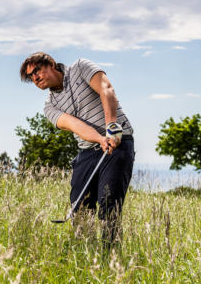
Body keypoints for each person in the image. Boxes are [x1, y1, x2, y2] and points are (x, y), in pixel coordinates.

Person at [20, 52, 134, 245]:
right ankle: (86, 259)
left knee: (109, 206)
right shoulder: (50, 106)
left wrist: (111, 127)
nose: (35, 77)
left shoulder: (80, 67)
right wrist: (100, 138)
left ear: (51, 64)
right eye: (31, 77)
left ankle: (110, 260)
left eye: (37, 70)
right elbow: (75, 126)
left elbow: (106, 89)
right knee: (79, 210)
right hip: (88, 151)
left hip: (118, 144)